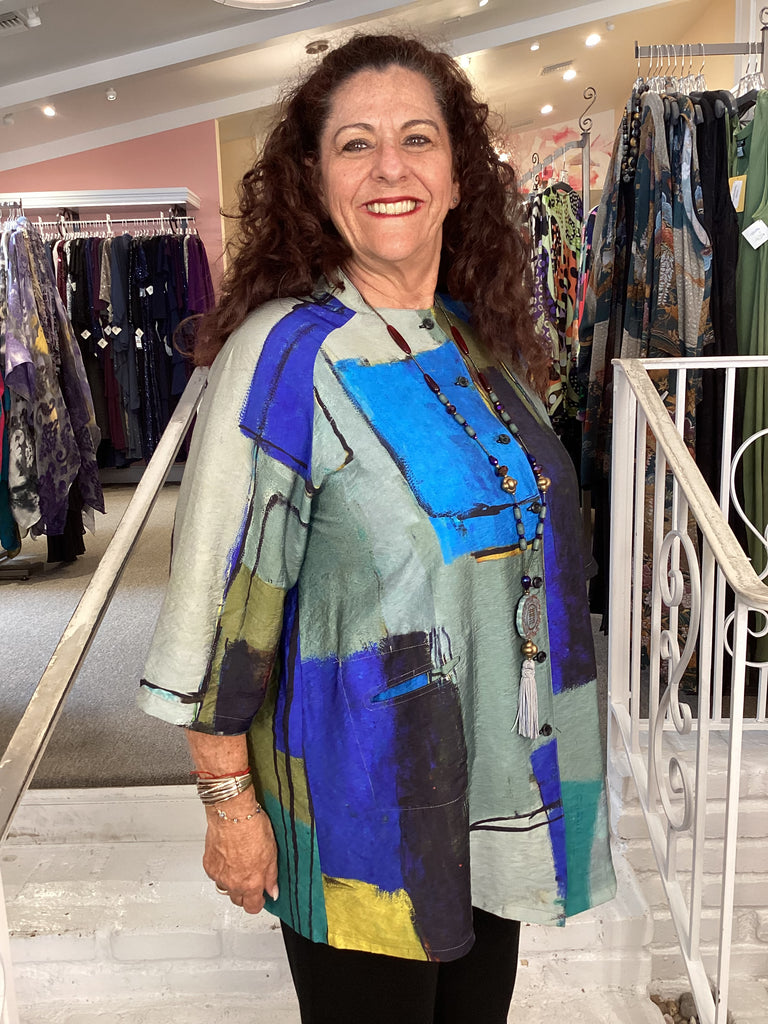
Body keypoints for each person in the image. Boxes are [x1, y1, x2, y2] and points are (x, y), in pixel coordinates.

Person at [139, 33, 616, 1024]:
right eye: (355, 144)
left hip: (500, 790)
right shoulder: (287, 353)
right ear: (315, 182)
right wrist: (228, 804)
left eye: (417, 139)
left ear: (457, 176)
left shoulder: (478, 343)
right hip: (360, 811)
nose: (389, 167)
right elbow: (218, 606)